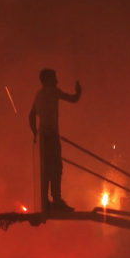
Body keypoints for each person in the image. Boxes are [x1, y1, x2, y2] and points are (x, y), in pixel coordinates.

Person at [29, 69, 82, 212]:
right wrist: (78, 92)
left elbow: (31, 116)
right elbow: (73, 99)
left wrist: (35, 134)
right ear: (48, 80)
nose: (57, 80)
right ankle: (56, 201)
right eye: (54, 78)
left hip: (43, 139)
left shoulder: (38, 95)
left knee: (46, 169)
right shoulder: (53, 92)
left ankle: (46, 201)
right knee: (56, 168)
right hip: (51, 137)